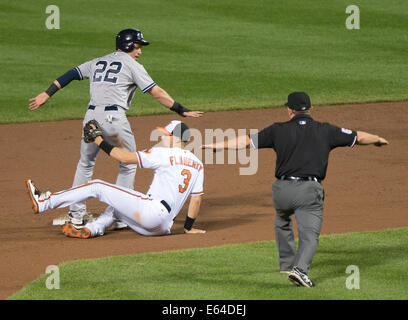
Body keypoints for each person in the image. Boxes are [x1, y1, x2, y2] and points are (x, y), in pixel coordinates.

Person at [202, 92, 388, 287]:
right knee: (309, 235)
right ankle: (300, 270)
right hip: (308, 191)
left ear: (289, 110)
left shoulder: (277, 130)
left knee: (282, 219)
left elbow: (246, 141)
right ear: (310, 109)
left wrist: (218, 146)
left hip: (281, 191)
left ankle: (286, 263)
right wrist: (378, 139)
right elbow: (359, 137)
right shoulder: (325, 130)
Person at [28, 28, 203, 228]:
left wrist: (47, 93)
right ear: (127, 45)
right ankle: (119, 215)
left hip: (90, 118)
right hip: (114, 120)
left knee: (85, 163)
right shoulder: (132, 65)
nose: (140, 51)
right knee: (128, 164)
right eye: (137, 46)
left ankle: (76, 216)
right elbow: (157, 92)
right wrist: (180, 109)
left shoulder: (98, 61)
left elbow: (72, 74)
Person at [26, 120, 205, 238]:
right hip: (162, 228)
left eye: (166, 134)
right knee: (118, 206)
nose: (163, 137)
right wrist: (188, 227)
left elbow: (124, 158)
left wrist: (99, 141)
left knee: (97, 186)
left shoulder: (163, 153)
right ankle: (92, 229)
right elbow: (196, 199)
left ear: (174, 138)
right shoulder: (197, 164)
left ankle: (44, 201)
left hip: (152, 212)